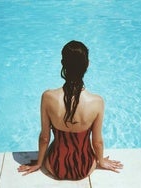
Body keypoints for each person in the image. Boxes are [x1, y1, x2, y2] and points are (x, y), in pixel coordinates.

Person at [18, 40, 123, 180]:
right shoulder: (97, 102)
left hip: (54, 166)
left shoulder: (48, 97)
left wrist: (39, 163)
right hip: (85, 167)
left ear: (63, 63)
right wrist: (101, 161)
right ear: (87, 65)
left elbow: (44, 138)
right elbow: (97, 142)